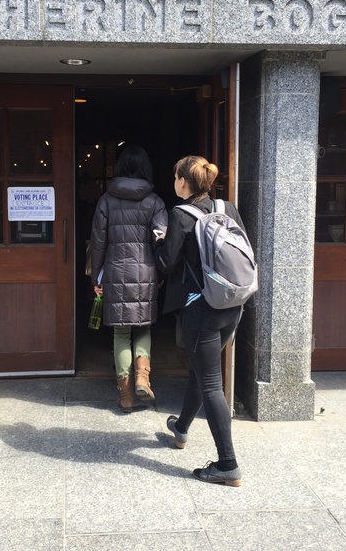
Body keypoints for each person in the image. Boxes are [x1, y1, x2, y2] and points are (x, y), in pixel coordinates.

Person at [153, 155, 246, 486]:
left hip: (201, 309)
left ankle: (228, 464)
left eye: (175, 177)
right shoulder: (227, 208)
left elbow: (166, 263)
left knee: (210, 383)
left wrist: (159, 240)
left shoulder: (180, 215)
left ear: (182, 182)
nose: (174, 182)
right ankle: (181, 428)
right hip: (232, 304)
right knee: (201, 371)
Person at [89, 144, 168, 413]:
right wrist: (161, 272)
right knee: (143, 327)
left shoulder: (106, 200)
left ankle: (125, 396)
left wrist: (96, 278)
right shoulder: (155, 202)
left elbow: (98, 243)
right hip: (146, 272)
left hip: (115, 271)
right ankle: (143, 379)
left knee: (121, 332)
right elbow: (161, 242)